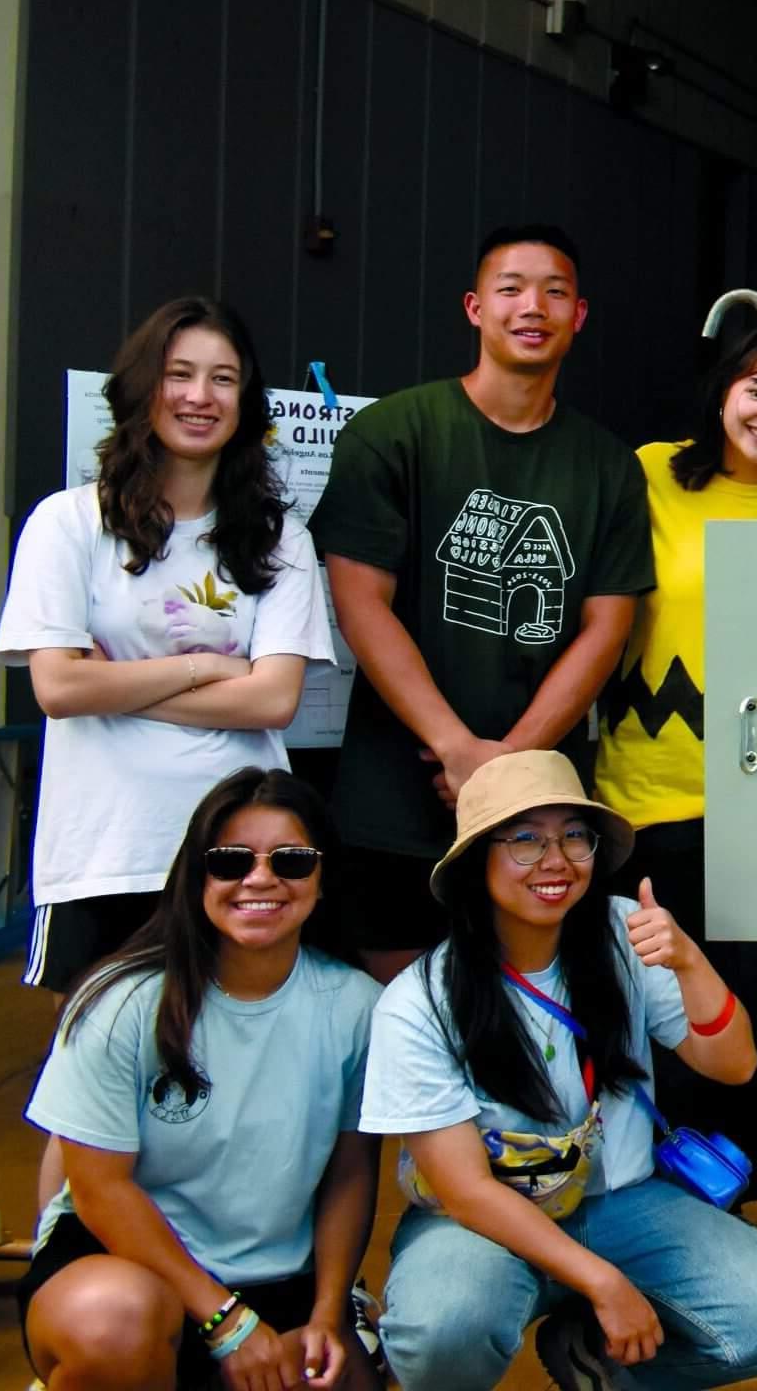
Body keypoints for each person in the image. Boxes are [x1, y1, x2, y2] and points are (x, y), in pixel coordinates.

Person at [360, 751, 757, 1391]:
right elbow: (466, 1192)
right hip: (482, 1220)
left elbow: (736, 1066)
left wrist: (690, 962)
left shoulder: (619, 932)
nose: (554, 860)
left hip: (623, 1200)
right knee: (440, 1336)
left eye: (572, 836)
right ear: (476, 861)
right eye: (525, 840)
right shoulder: (420, 1000)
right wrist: (603, 1281)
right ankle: (582, 1296)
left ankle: (595, 1361)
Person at [313, 225, 652, 977]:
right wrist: (457, 747)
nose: (532, 307)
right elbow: (359, 600)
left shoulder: (608, 467)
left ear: (580, 315)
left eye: (555, 292)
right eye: (510, 288)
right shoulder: (392, 433)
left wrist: (506, 764)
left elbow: (607, 626)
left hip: (542, 808)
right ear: (474, 308)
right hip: (397, 787)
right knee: (393, 1010)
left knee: (528, 1001)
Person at [0, 298, 331, 997]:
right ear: (144, 386)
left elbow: (274, 699)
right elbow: (58, 689)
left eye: (223, 378)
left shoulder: (280, 538)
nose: (199, 397)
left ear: (246, 400)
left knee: (230, 1067)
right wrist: (205, 668)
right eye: (180, 374)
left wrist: (115, 685)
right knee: (103, 1072)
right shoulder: (68, 524)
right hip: (104, 850)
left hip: (241, 858)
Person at [595, 309, 757, 1207]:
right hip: (651, 793)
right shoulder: (647, 476)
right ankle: (647, 1187)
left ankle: (730, 1187)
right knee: (658, 1002)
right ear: (722, 392)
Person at [23, 769, 382, 1391]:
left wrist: (327, 1313)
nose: (261, 878)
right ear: (196, 877)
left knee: (346, 1371)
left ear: (322, 881)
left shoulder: (357, 1006)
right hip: (126, 1266)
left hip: (278, 1281)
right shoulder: (121, 1001)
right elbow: (99, 1188)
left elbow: (351, 1172)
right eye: (230, 860)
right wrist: (227, 1322)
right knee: (114, 1326)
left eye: (292, 860)